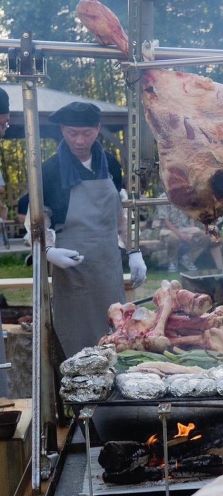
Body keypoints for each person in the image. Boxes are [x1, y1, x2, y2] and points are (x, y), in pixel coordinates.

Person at [41, 101, 146, 357]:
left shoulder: (109, 164)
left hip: (107, 263)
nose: (79, 140)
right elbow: (40, 217)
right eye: (72, 133)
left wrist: (133, 250)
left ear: (98, 129)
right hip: (72, 268)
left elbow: (120, 213)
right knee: (81, 342)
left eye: (86, 133)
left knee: (117, 333)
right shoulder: (50, 170)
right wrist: (48, 249)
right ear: (62, 130)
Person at [157, 193, 211, 272]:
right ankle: (172, 262)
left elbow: (191, 216)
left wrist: (191, 231)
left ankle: (188, 258)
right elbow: (165, 221)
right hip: (169, 229)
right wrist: (180, 234)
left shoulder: (187, 195)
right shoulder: (162, 198)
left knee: (206, 237)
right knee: (173, 239)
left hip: (186, 228)